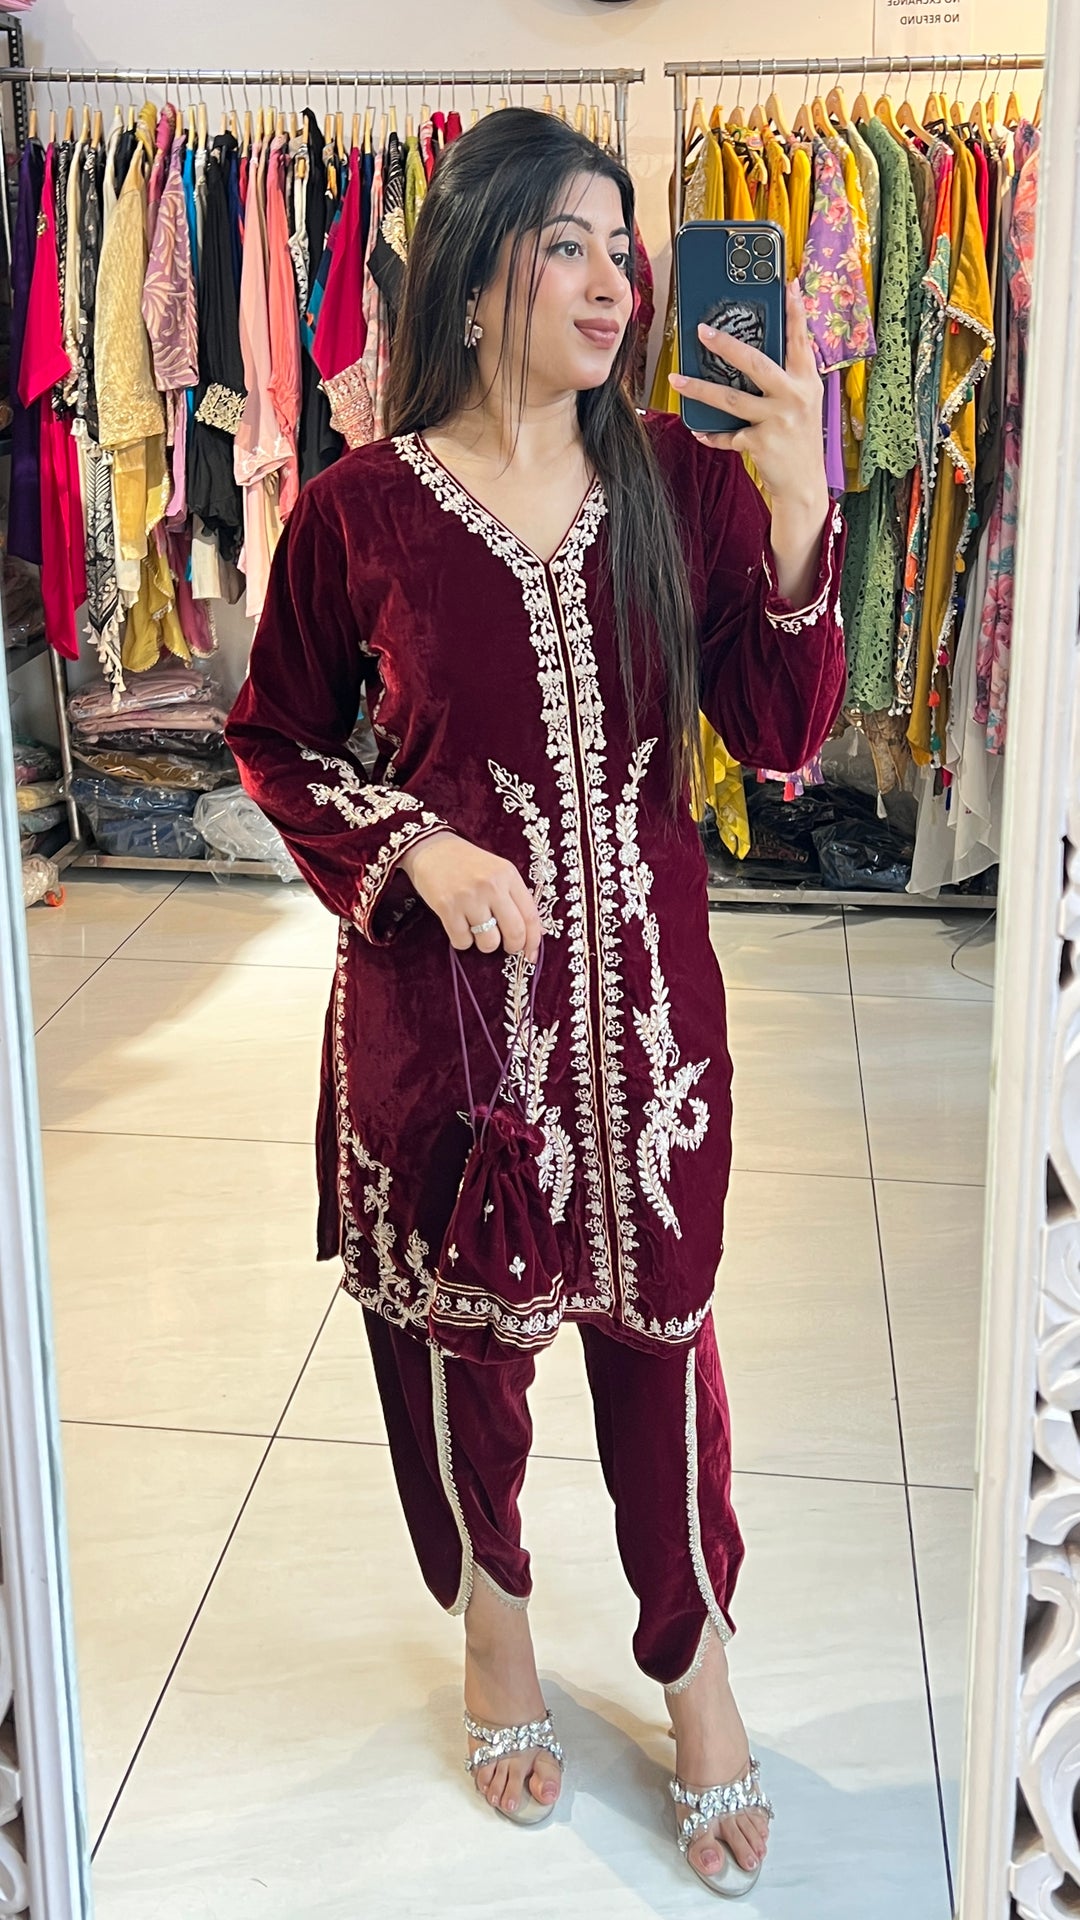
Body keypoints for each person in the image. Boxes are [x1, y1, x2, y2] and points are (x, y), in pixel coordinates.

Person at [226, 106, 844, 1898]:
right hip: (453, 1045)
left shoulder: (677, 481)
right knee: (469, 1362)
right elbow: (276, 742)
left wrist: (798, 515)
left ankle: (694, 1661)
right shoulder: (356, 512)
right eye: (564, 242)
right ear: (474, 269)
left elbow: (779, 733)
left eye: (620, 247)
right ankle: (494, 1627)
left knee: (666, 1357)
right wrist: (414, 849)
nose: (610, 281)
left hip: (651, 1042)